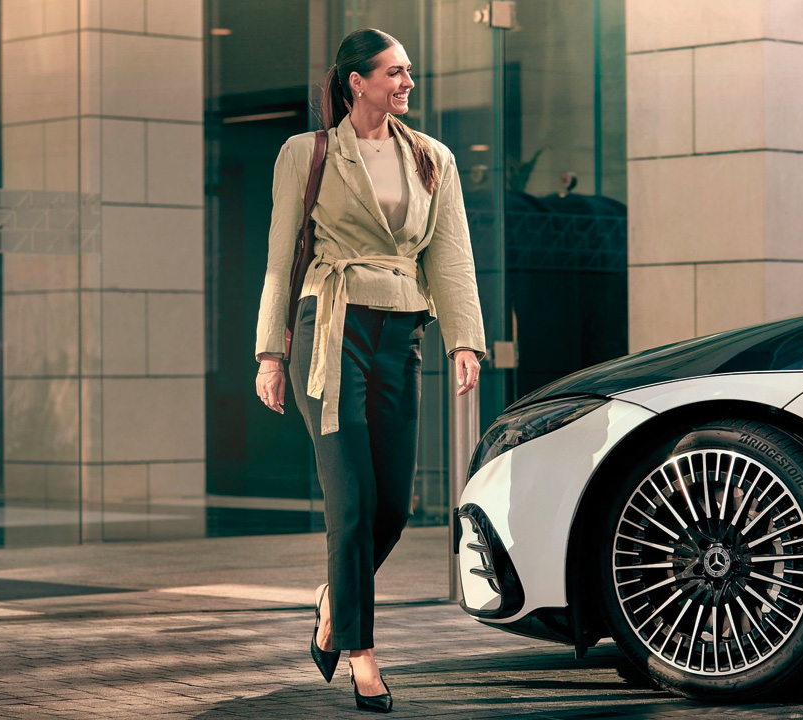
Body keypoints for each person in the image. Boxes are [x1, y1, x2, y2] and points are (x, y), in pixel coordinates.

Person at [253, 28, 487, 714]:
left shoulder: (432, 158)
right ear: (357, 81)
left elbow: (450, 255)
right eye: (394, 72)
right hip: (328, 330)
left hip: (401, 333)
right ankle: (362, 655)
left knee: (393, 508)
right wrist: (270, 353)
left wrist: (463, 340)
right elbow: (278, 256)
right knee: (351, 501)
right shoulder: (307, 153)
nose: (406, 83)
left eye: (408, 72)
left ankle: (333, 602)